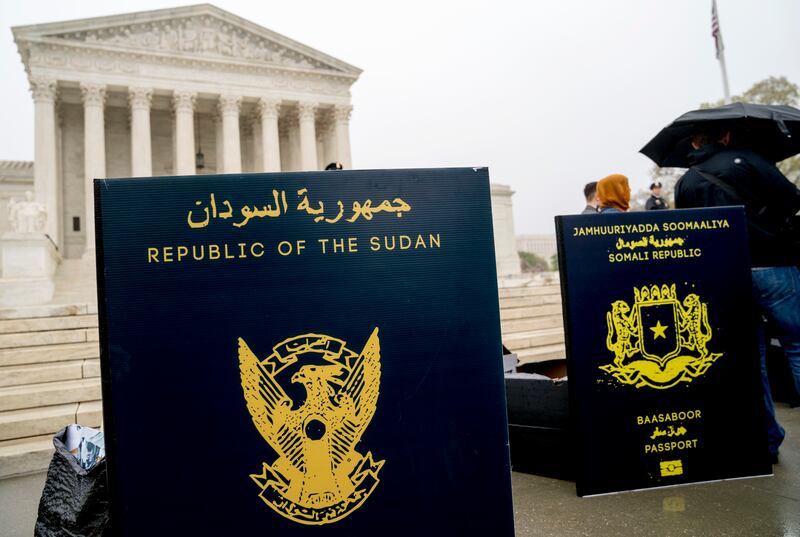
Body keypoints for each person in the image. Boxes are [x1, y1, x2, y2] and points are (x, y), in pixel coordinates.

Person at [674, 127, 800, 463]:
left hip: (726, 277)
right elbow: (792, 199)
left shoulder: (686, 182)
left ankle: (767, 442)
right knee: (798, 347)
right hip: (773, 267)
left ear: (695, 143)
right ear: (727, 136)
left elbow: (686, 237)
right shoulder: (751, 161)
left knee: (751, 361)